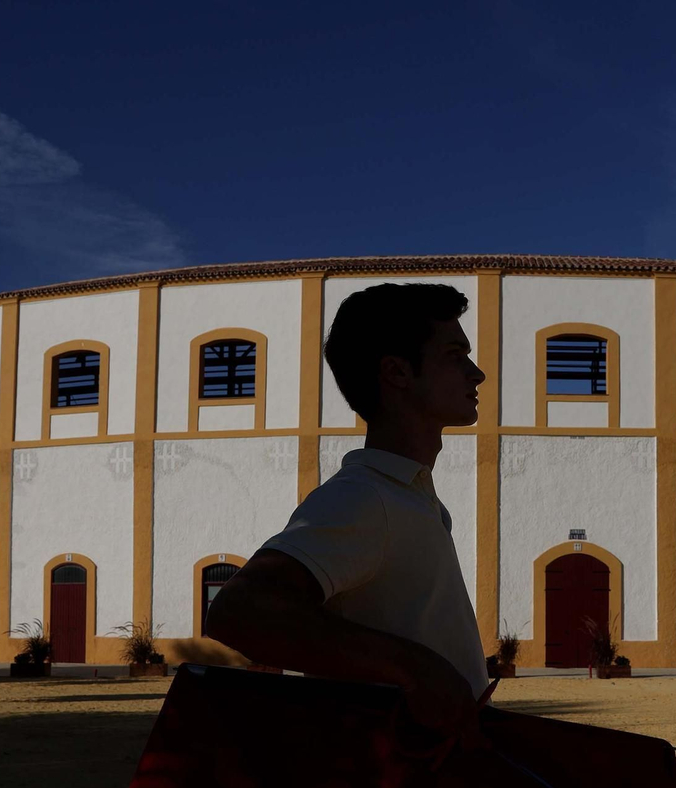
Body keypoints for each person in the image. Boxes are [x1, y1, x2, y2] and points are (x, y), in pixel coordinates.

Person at [204, 283, 489, 744]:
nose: (477, 374)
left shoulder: (417, 501)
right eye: (456, 355)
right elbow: (239, 610)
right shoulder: (366, 497)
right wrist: (412, 668)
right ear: (397, 372)